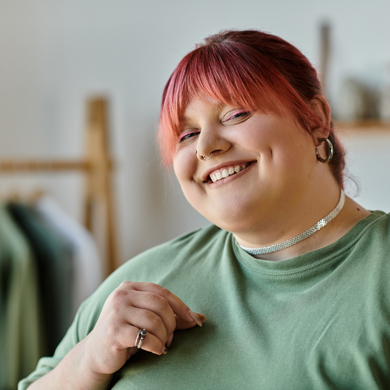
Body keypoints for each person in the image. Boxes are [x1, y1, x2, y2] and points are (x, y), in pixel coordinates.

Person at [20, 29, 390, 390]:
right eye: (187, 134)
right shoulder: (142, 280)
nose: (206, 147)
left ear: (316, 119)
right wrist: (89, 361)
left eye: (236, 115)